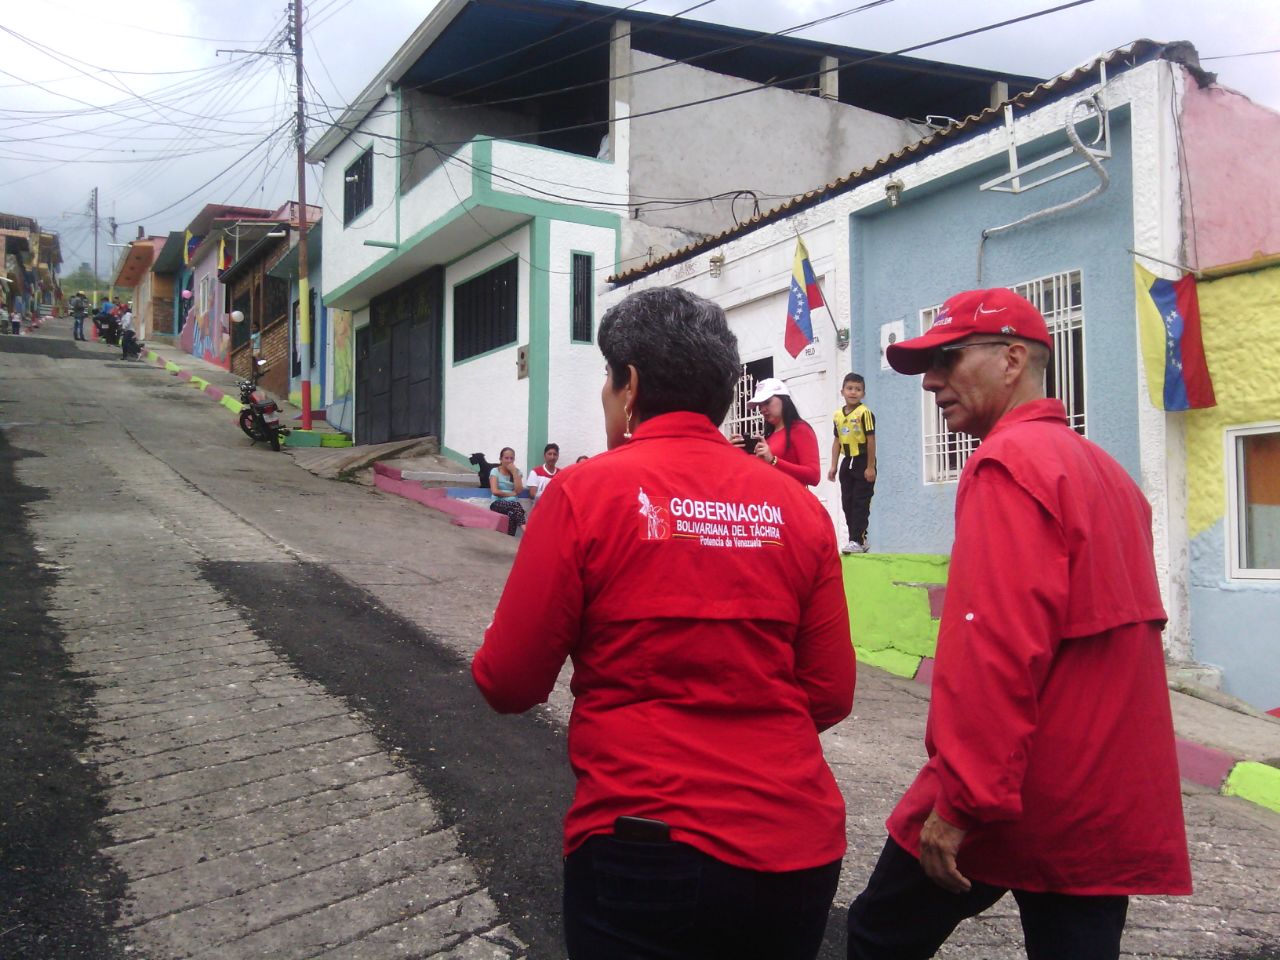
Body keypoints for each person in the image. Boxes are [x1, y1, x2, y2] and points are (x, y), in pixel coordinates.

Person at [472, 287, 855, 960]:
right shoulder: (799, 513)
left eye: (607, 378)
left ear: (631, 386)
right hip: (795, 852)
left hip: (646, 849)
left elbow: (509, 682)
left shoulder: (585, 493)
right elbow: (828, 692)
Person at [846, 287, 1191, 960]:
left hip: (1018, 787)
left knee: (877, 936)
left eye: (947, 359)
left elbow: (997, 646)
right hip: (1097, 797)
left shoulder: (1008, 465)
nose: (933, 383)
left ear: (1011, 360)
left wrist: (964, 799)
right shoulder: (1108, 474)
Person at [733, 377, 821, 486]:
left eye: (767, 402)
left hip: (791, 500)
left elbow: (814, 476)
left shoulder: (800, 429)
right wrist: (734, 453)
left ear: (783, 399)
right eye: (759, 406)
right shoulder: (768, 436)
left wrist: (773, 461)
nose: (762, 409)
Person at [828, 373, 877, 554]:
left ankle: (857, 539)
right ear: (842, 391)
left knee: (860, 502)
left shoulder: (865, 413)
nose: (853, 392)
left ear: (863, 393)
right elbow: (837, 441)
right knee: (847, 503)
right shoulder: (837, 415)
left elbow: (871, 440)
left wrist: (870, 466)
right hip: (847, 462)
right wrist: (833, 465)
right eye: (850, 388)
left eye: (858, 389)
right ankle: (855, 540)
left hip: (863, 461)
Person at [487, 447, 526, 536]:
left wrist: (514, 472)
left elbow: (519, 490)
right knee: (516, 506)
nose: (509, 461)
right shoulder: (495, 471)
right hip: (497, 503)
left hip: (513, 505)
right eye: (506, 458)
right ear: (501, 459)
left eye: (511, 458)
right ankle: (527, 532)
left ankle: (509, 538)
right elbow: (495, 491)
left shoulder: (517, 472)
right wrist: (511, 493)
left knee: (512, 514)